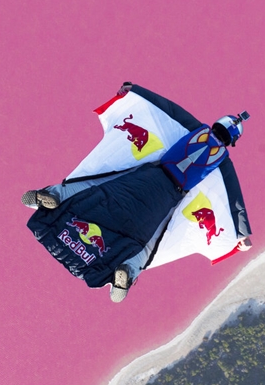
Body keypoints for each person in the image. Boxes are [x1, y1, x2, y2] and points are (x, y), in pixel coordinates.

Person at [24, 83, 251, 302]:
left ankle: (55, 196)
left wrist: (134, 91)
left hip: (148, 175)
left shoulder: (195, 127)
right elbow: (233, 199)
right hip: (169, 196)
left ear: (216, 123)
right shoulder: (223, 163)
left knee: (95, 186)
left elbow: (167, 108)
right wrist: (241, 234)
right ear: (232, 141)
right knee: (149, 245)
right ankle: (128, 271)